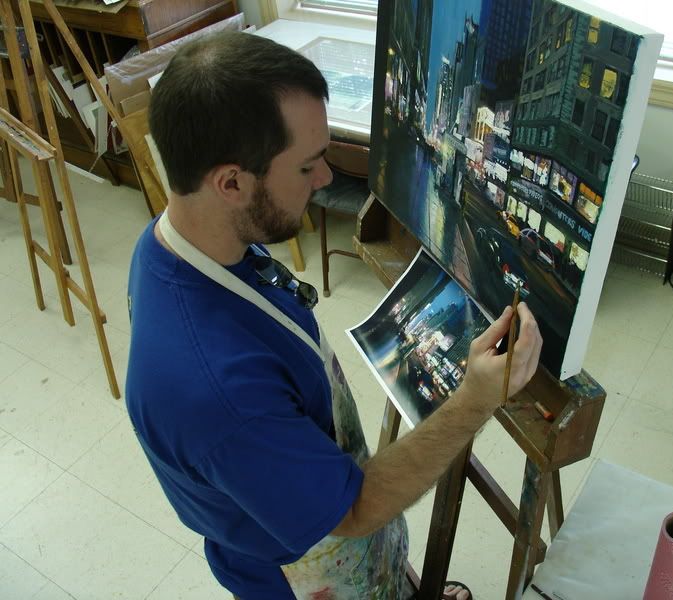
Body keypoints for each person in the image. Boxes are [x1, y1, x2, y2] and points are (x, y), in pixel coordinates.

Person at [126, 31, 543, 600]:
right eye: (307, 167)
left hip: (291, 504)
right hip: (304, 572)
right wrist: (475, 399)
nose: (326, 179)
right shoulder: (219, 395)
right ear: (231, 183)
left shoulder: (175, 243)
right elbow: (355, 509)